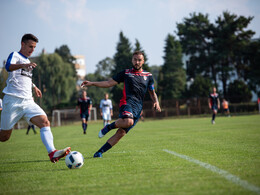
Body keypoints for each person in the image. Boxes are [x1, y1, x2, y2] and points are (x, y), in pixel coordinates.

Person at [0, 34, 71, 163]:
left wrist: (34, 86)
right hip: (12, 101)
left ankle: (52, 153)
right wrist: (23, 65)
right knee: (4, 137)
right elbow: (8, 67)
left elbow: (24, 78)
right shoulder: (15, 55)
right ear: (22, 44)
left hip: (27, 101)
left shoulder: (27, 62)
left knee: (44, 121)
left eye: (34, 47)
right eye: (30, 46)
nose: (32, 50)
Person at [81, 51, 161, 158]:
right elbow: (109, 83)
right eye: (135, 59)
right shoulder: (126, 73)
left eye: (139, 60)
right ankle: (108, 127)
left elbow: (152, 92)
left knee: (121, 133)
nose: (137, 62)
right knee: (128, 121)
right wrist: (92, 83)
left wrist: (156, 101)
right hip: (126, 103)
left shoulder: (149, 76)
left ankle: (99, 152)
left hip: (138, 108)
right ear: (132, 60)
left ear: (143, 61)